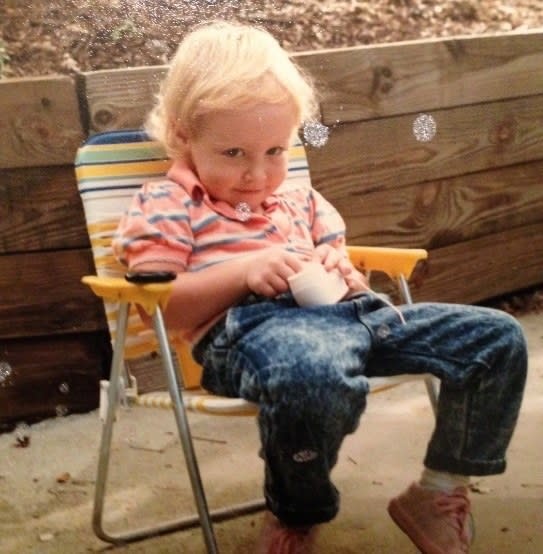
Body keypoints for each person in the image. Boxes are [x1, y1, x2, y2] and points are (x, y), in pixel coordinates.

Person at [112, 21, 528, 554]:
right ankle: (295, 514)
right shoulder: (167, 204)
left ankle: (438, 492)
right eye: (234, 153)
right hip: (255, 337)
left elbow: (339, 258)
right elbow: (158, 308)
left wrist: (339, 263)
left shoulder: (300, 201)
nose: (258, 175)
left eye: (276, 151)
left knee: (496, 339)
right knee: (314, 376)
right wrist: (245, 271)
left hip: (352, 319)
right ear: (183, 134)